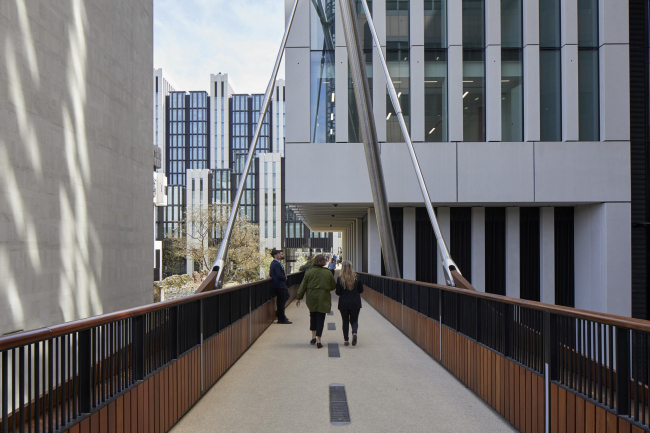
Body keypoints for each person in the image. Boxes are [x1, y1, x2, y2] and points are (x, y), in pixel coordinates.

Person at [295, 254, 336, 348]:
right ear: (324, 262)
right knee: (321, 318)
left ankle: (313, 337)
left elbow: (303, 285)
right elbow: (333, 286)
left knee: (312, 316)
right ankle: (319, 340)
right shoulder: (328, 272)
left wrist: (299, 297)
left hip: (311, 296)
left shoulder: (309, 272)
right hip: (323, 297)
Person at [335, 261, 364, 346]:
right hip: (355, 302)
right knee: (354, 320)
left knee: (345, 321)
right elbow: (361, 290)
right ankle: (354, 333)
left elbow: (338, 292)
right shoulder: (357, 277)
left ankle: (346, 340)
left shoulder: (340, 278)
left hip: (343, 303)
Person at [269, 248, 292, 324]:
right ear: (275, 255)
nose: (280, 254)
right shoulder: (275, 263)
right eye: (279, 253)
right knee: (281, 302)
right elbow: (278, 275)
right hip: (279, 284)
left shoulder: (277, 263)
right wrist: (284, 277)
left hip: (280, 285)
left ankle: (280, 314)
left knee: (285, 297)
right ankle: (281, 318)